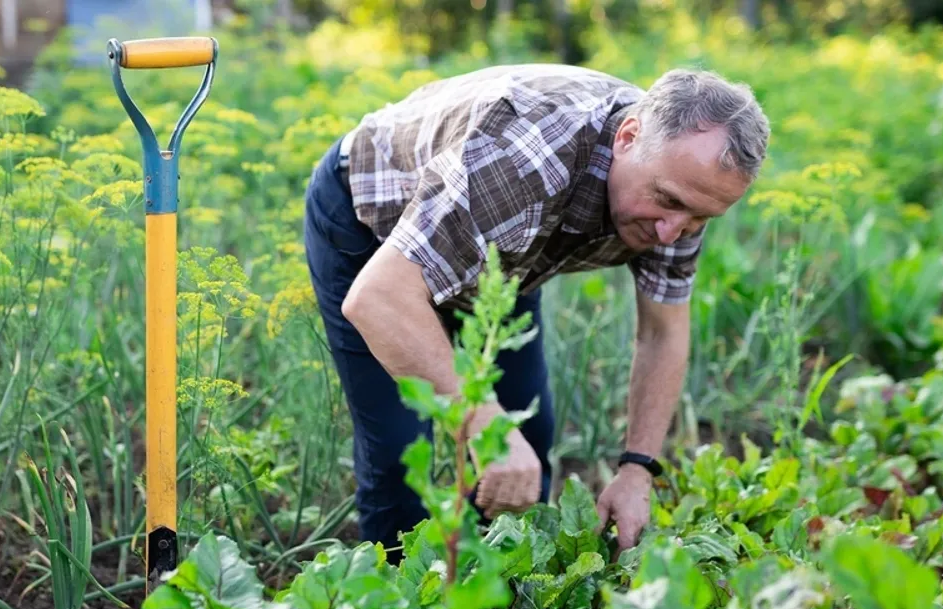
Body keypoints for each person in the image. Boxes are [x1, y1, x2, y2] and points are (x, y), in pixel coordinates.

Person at [301, 63, 769, 562]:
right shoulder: (525, 156)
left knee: (528, 427)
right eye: (668, 201)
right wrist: (481, 422)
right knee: (400, 444)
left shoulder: (680, 190)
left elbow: (663, 333)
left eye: (700, 217)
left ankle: (492, 588)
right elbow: (378, 297)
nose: (671, 233)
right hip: (374, 223)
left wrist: (637, 469)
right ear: (629, 137)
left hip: (507, 253)